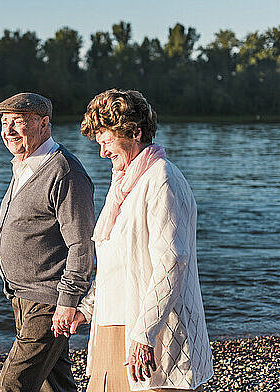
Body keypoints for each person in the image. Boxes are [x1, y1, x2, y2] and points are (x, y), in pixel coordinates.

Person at [61, 89, 213, 392]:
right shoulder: (123, 184)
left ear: (134, 133)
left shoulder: (162, 179)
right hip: (112, 327)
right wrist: (87, 309)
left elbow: (172, 264)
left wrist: (144, 335)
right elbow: (114, 264)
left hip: (150, 332)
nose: (103, 152)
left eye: (106, 142)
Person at [0, 92, 95, 392]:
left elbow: (82, 245)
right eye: (4, 123)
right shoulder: (23, 164)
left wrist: (68, 302)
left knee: (12, 385)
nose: (7, 131)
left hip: (48, 300)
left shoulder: (65, 172)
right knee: (54, 385)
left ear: (44, 123)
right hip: (21, 295)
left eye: (18, 122)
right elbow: (19, 221)